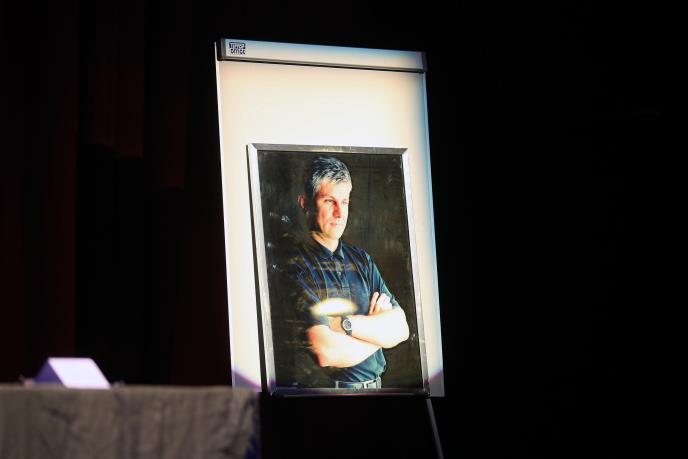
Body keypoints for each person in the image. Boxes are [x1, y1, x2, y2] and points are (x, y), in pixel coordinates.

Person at [284, 155, 410, 389]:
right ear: (305, 204)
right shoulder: (296, 267)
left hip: (377, 391)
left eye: (344, 202)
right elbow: (326, 352)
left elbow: (401, 328)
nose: (340, 213)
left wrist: (344, 325)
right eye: (329, 201)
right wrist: (380, 336)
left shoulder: (362, 260)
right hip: (330, 399)